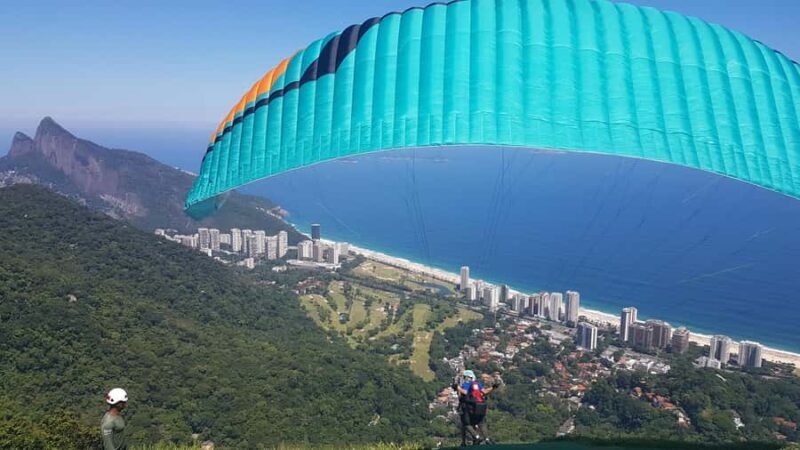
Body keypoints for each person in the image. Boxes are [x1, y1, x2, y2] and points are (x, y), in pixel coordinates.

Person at [451, 370, 499, 445]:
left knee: (466, 423)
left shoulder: (466, 383)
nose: (465, 378)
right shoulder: (478, 384)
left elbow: (465, 392)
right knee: (481, 423)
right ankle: (487, 439)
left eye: (465, 377)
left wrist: (457, 387)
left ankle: (476, 437)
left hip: (469, 407)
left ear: (468, 377)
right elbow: (485, 392)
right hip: (480, 406)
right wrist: (493, 387)